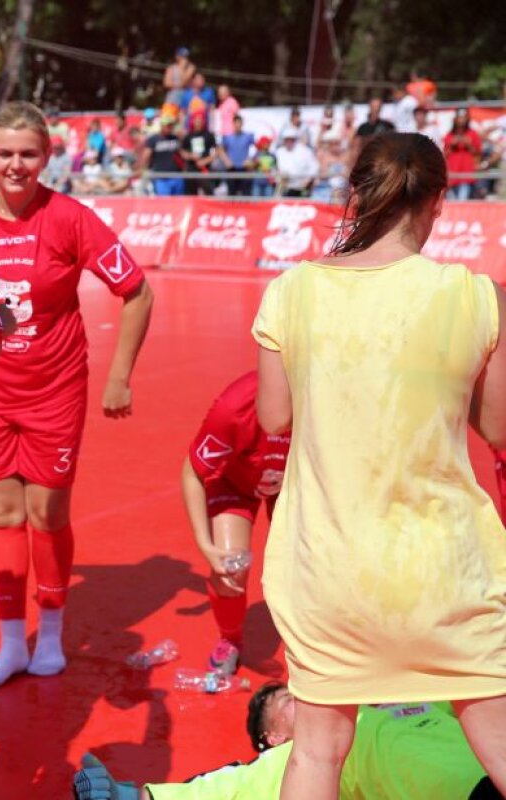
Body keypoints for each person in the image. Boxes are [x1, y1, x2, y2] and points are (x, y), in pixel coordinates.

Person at [253, 132, 506, 798]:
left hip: (329, 568)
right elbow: (499, 426)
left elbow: (273, 416)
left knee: (317, 754)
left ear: (355, 193)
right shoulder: (472, 293)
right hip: (444, 570)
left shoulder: (293, 290)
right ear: (441, 201)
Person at [0, 100, 154, 691]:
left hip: (54, 390)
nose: (16, 165)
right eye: (5, 154)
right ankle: (7, 644)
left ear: (47, 157)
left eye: (28, 154)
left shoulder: (70, 217)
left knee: (46, 514)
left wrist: (119, 375)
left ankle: (49, 632)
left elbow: (137, 291)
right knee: (1, 514)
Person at [72, 684, 502, 799]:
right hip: (463, 788)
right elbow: (223, 788)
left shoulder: (398, 696)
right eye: (287, 701)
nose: (302, 696)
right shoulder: (289, 761)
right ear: (273, 736)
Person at [182, 372, 289, 677]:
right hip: (235, 485)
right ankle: (230, 639)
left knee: (311, 565)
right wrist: (206, 545)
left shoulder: (325, 403)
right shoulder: (234, 407)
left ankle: (321, 642)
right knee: (231, 570)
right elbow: (193, 473)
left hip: (291, 485)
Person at [445, 108, 482, 201]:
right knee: (453, 203)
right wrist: (452, 145)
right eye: (459, 118)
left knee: (462, 201)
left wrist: (469, 145)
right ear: (455, 119)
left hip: (467, 175)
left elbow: (478, 154)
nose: (461, 120)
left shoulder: (473, 134)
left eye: (464, 117)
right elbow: (445, 154)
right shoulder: (449, 135)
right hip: (452, 176)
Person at [142, 115, 185, 196]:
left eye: (171, 125)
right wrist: (145, 170)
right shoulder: (153, 139)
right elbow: (146, 156)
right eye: (168, 125)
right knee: (164, 203)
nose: (170, 127)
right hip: (161, 178)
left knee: (179, 203)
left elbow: (182, 153)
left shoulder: (175, 138)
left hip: (176, 176)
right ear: (162, 126)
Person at [179, 112, 217, 196]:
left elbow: (215, 151)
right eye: (196, 121)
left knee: (209, 193)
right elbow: (182, 151)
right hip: (191, 170)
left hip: (205, 170)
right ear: (193, 122)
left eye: (200, 121)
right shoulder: (188, 136)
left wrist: (205, 160)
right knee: (191, 194)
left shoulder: (209, 135)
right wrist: (190, 156)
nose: (198, 123)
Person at [272, 128, 318, 197]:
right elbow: (274, 168)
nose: (289, 142)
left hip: (302, 186)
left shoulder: (305, 151)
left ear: (295, 139)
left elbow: (314, 166)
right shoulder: (279, 152)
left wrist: (308, 180)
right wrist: (278, 178)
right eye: (286, 139)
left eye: (291, 139)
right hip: (285, 187)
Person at [219, 114, 255, 197]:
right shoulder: (228, 137)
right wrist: (226, 160)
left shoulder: (248, 136)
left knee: (246, 194)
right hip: (232, 169)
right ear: (233, 124)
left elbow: (257, 148)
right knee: (231, 194)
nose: (238, 125)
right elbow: (220, 150)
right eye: (236, 123)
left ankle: (246, 210)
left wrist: (250, 159)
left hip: (244, 168)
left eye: (239, 123)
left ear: (242, 124)